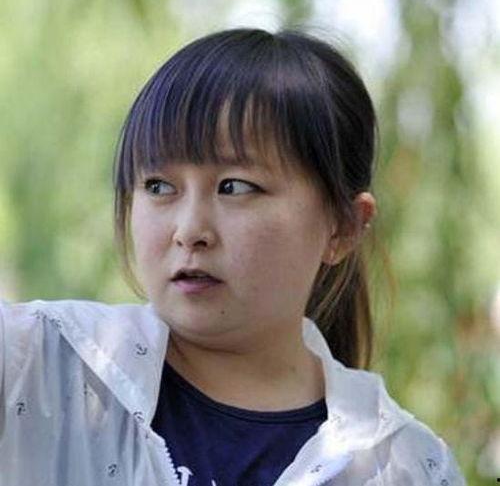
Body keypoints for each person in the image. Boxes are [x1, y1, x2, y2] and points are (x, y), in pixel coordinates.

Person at [0, 28, 466, 485]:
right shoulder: (40, 366)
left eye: (235, 187)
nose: (189, 231)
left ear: (342, 227)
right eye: (158, 186)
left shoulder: (404, 467)